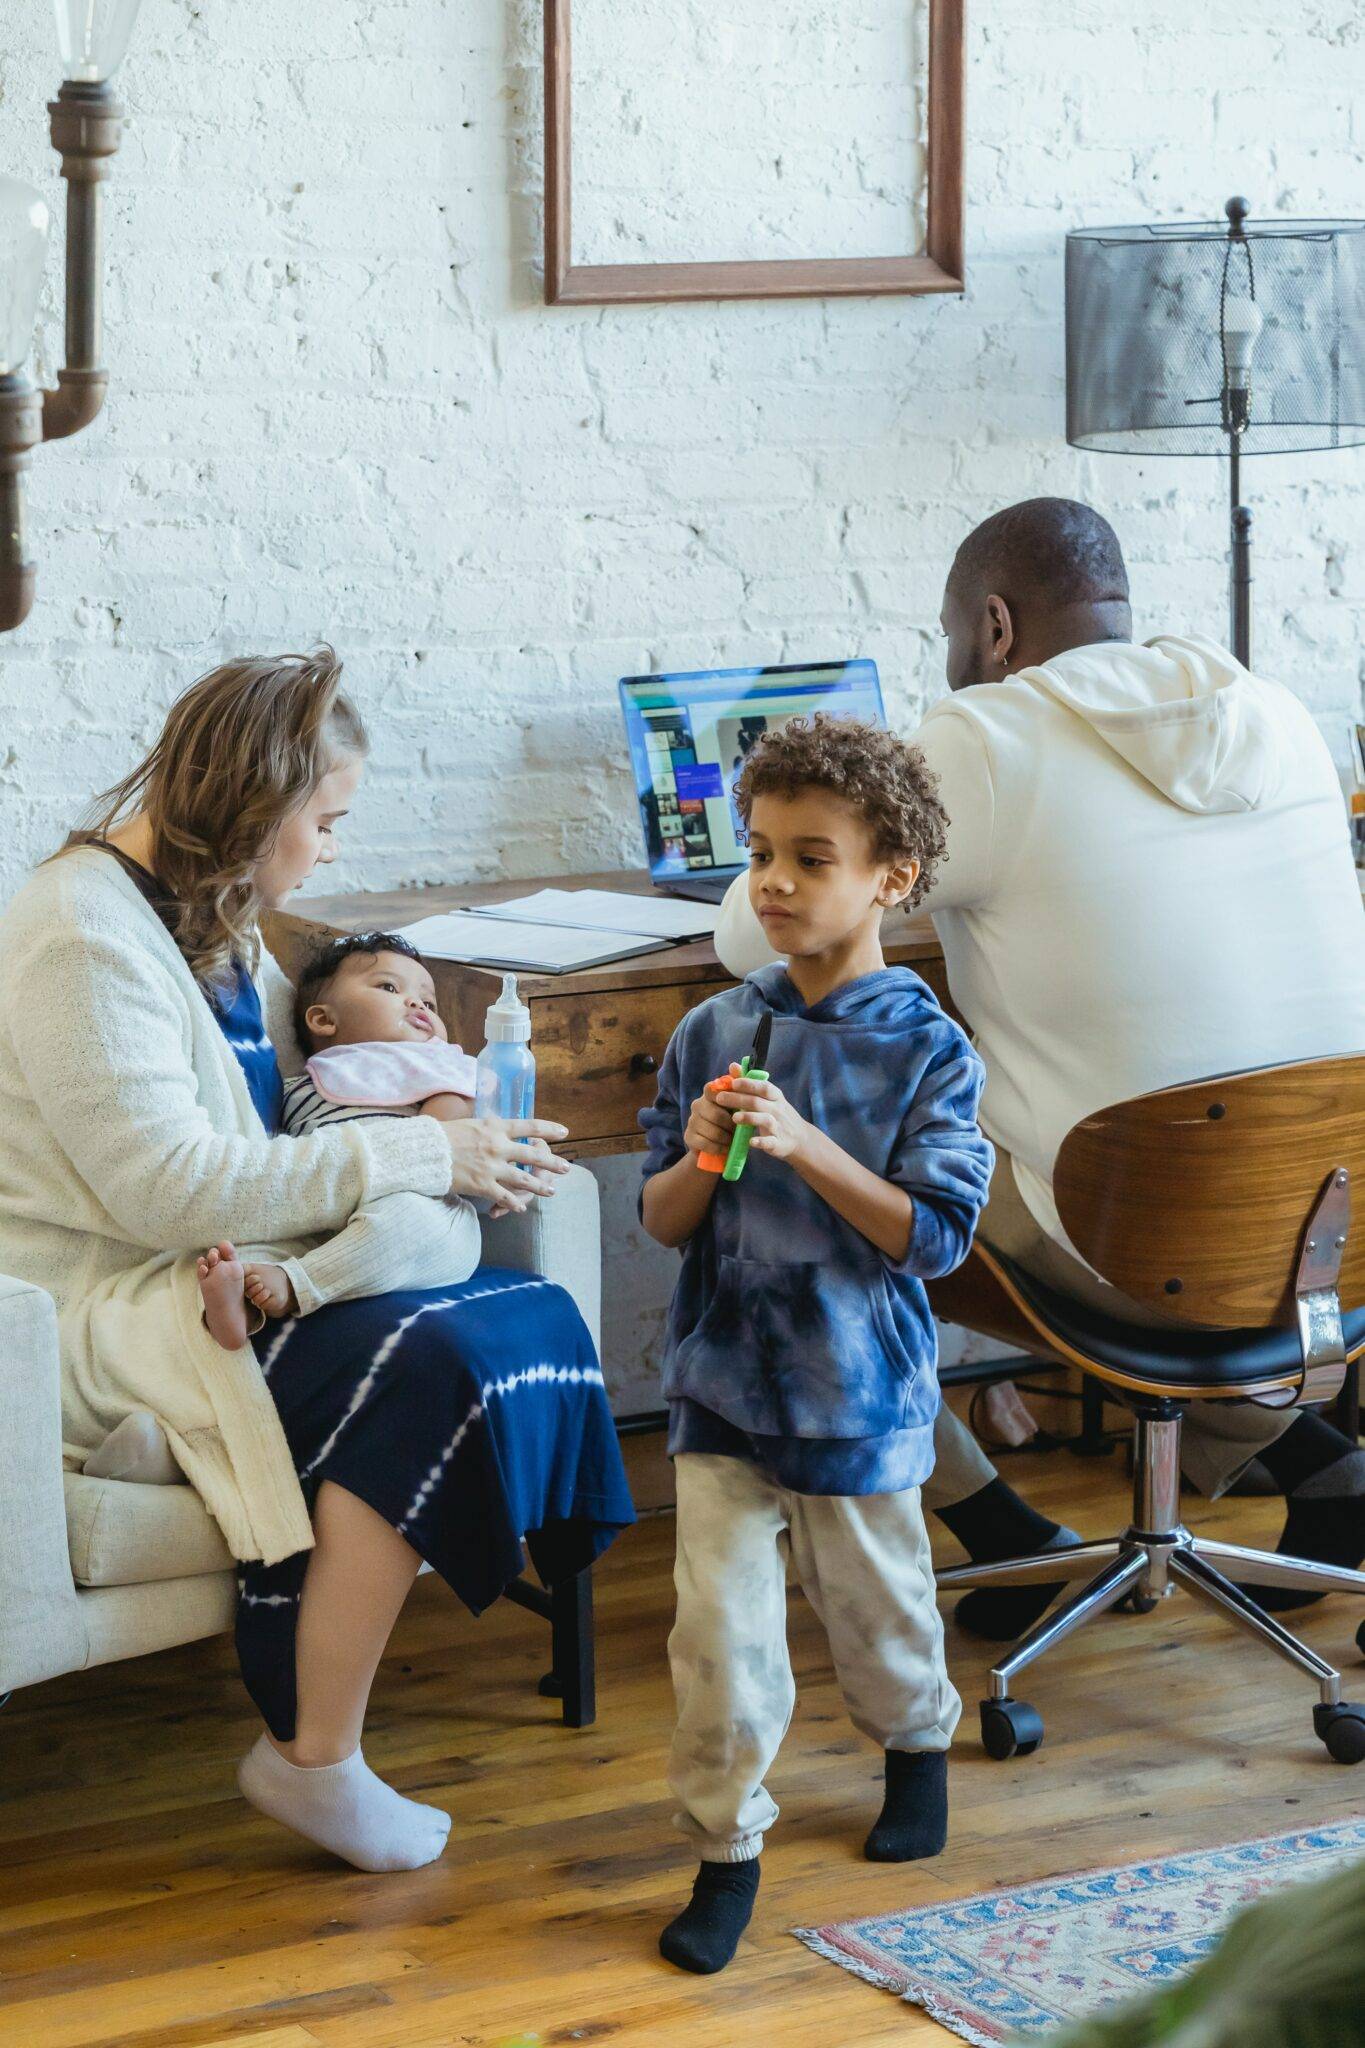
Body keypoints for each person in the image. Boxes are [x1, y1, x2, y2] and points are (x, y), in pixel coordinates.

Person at [0, 648, 634, 1872]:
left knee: (522, 1310)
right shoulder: (81, 934)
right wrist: (418, 1159)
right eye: (326, 821)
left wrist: (448, 1128)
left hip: (228, 1265)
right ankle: (313, 1757)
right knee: (439, 1354)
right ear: (258, 806)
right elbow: (164, 1187)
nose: (331, 852)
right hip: (112, 1303)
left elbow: (301, 1112)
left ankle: (310, 1730)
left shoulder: (210, 921)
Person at [716, 498, 1365, 1640]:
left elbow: (750, 932)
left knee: (787, 1182)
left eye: (955, 635)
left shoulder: (987, 737)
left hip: (1130, 1240)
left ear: (998, 627)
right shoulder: (1277, 711)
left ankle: (998, 1530)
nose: (955, 661)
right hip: (1330, 1237)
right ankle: (1320, 1461)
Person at [641, 715, 993, 1974]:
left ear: (890, 874)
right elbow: (661, 1218)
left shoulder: (927, 1047)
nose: (775, 883)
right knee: (718, 1638)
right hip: (722, 1386)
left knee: (880, 1608)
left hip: (856, 1389)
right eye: (758, 853)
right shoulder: (712, 1031)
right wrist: (698, 1157)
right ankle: (725, 1847)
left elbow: (936, 1235)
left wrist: (806, 1145)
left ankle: (917, 1748)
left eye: (811, 856)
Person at [196, 931, 483, 1348]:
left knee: (434, 1226)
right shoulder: (299, 1082)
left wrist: (452, 1100)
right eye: (389, 987)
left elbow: (442, 1143)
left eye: (429, 1002)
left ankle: (298, 1284)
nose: (418, 1003)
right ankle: (237, 1299)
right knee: (261, 1232)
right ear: (323, 1020)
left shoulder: (441, 1068)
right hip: (322, 1201)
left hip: (408, 1200)